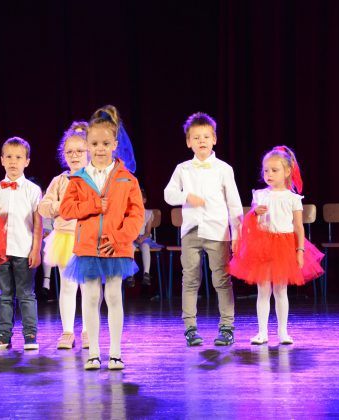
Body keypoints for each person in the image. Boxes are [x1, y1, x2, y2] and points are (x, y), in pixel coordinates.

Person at [60, 105, 144, 370]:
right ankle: (93, 353)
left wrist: (118, 238)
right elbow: (66, 210)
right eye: (94, 144)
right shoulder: (78, 178)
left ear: (115, 145)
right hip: (87, 248)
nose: (100, 149)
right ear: (87, 145)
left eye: (106, 143)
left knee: (114, 297)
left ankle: (115, 353)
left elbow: (136, 216)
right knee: (91, 297)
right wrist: (94, 205)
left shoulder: (127, 179)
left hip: (116, 247)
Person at [228, 146, 324, 345]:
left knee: (281, 291)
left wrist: (300, 250)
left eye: (274, 170)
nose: (269, 174)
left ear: (287, 171)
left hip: (284, 246)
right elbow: (250, 222)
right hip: (262, 246)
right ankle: (262, 332)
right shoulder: (260, 195)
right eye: (266, 170)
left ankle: (283, 332)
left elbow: (298, 227)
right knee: (263, 290)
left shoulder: (293, 198)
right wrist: (254, 213)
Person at [164, 112, 243, 347]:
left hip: (217, 231)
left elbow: (234, 203)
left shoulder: (224, 169)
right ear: (188, 142)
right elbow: (168, 194)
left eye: (206, 136)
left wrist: (237, 233)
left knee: (221, 279)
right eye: (196, 137)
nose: (201, 141)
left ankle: (227, 327)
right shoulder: (183, 169)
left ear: (214, 139)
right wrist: (186, 196)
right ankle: (190, 328)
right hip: (191, 231)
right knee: (190, 279)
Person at [0, 137, 42, 351]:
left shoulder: (33, 190)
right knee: (5, 295)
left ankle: (30, 335)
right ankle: (3, 335)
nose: (13, 161)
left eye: (18, 157)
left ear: (27, 161)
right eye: (9, 157)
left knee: (26, 294)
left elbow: (37, 222)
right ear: (2, 160)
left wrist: (36, 249)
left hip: (24, 249)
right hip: (1, 250)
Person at [38, 121, 89, 350]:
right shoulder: (59, 181)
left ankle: (88, 330)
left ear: (89, 152)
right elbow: (43, 207)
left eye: (79, 151)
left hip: (89, 238)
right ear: (63, 154)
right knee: (68, 287)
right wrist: (60, 206)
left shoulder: (96, 178)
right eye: (69, 152)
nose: (74, 155)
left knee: (89, 288)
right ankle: (68, 331)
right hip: (65, 238)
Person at [126, 188, 162, 288]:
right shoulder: (129, 213)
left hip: (143, 237)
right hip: (132, 237)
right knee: (130, 248)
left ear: (144, 200)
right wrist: (134, 237)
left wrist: (142, 238)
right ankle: (130, 275)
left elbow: (148, 231)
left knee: (145, 246)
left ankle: (146, 274)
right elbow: (128, 228)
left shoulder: (148, 213)